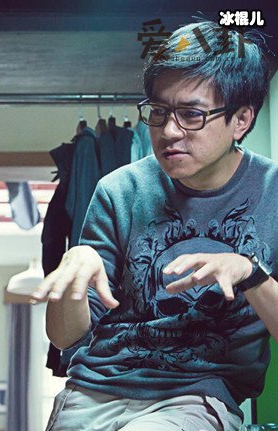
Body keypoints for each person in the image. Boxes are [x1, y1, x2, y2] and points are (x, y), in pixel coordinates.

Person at [32, 20, 276, 431]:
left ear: (241, 120)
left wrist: (252, 274)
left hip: (194, 396)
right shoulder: (119, 190)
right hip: (94, 389)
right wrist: (75, 268)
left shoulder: (272, 193)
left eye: (191, 115)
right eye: (158, 112)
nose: (168, 131)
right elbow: (64, 337)